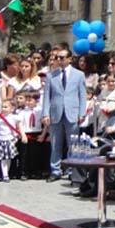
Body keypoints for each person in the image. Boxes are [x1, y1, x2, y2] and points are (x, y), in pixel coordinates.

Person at [41, 47, 89, 181]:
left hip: (72, 112)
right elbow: (47, 96)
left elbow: (82, 95)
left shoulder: (79, 75)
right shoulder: (51, 75)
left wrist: (82, 113)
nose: (59, 60)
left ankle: (73, 170)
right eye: (57, 58)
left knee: (72, 143)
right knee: (55, 143)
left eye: (62, 57)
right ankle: (55, 170)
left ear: (69, 59)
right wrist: (45, 114)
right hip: (55, 112)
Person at [0, 96, 26, 182]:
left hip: (10, 140)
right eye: (2, 107)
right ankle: (5, 175)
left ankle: (6, 172)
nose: (3, 109)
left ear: (12, 108)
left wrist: (23, 135)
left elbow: (19, 127)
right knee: (3, 159)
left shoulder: (14, 117)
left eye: (6, 107)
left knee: (8, 158)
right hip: (1, 140)